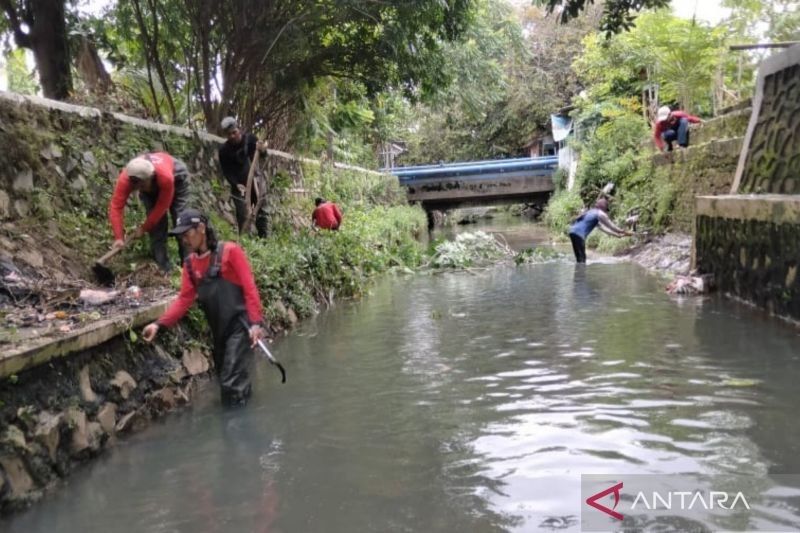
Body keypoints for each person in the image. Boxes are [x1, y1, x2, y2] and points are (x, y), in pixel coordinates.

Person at [141, 208, 266, 406]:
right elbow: (184, 299)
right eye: (181, 236)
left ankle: (236, 429)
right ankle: (243, 412)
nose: (184, 240)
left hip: (241, 327)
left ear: (201, 228)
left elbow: (250, 288)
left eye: (187, 233)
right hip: (219, 332)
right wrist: (158, 324)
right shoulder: (190, 265)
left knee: (230, 381)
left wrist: (256, 324)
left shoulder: (230, 252)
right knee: (228, 379)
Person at [108, 152, 191, 272]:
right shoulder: (125, 180)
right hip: (155, 182)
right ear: (134, 183)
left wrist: (144, 228)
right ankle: (164, 269)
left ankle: (189, 267)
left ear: (151, 177)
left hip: (176, 177)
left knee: (180, 221)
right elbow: (116, 207)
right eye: (140, 187)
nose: (143, 189)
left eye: (145, 185)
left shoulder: (164, 177)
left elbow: (163, 206)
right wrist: (119, 237)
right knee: (157, 228)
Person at [217, 117, 269, 237]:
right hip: (239, 188)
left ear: (239, 130)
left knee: (261, 213)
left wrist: (262, 150)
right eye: (229, 134)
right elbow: (227, 172)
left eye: (234, 132)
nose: (232, 136)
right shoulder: (224, 151)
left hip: (255, 183)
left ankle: (264, 240)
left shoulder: (250, 140)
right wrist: (236, 184)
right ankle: (244, 242)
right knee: (242, 216)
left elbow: (264, 155)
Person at [567, 198, 631, 264]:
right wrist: (622, 231)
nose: (606, 211)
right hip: (579, 235)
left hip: (572, 232)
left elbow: (605, 229)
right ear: (604, 207)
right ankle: (581, 273)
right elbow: (611, 226)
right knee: (582, 260)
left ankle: (579, 272)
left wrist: (618, 235)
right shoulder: (600, 214)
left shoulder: (590, 212)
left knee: (579, 258)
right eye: (606, 209)